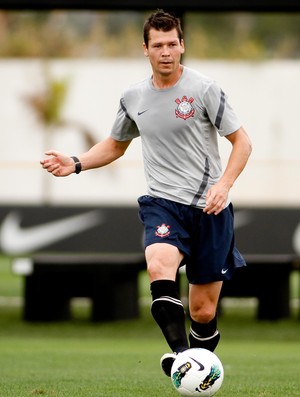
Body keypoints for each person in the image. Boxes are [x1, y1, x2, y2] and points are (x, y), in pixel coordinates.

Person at [40, 10, 252, 377]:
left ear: (182, 45)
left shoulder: (205, 89)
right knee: (158, 263)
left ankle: (195, 366)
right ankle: (183, 358)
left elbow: (242, 143)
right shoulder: (133, 96)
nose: (166, 52)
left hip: (210, 209)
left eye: (172, 44)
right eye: (158, 45)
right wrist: (75, 162)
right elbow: (115, 145)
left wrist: (224, 185)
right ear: (146, 49)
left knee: (202, 310)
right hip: (163, 204)